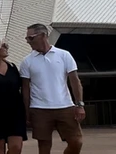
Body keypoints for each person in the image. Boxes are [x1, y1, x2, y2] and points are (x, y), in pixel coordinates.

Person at [20, 24, 85, 154]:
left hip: (65, 106)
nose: (28, 42)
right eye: (26, 39)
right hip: (39, 108)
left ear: (43, 35)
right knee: (44, 147)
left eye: (31, 38)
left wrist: (79, 105)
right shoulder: (27, 61)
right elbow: (25, 89)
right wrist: (26, 112)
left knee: (76, 142)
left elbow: (75, 81)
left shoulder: (64, 55)